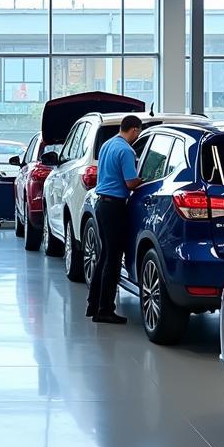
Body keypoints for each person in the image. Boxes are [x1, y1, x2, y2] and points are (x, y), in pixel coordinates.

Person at [85, 114, 144, 325]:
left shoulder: (108, 145)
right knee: (112, 259)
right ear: (135, 130)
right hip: (115, 207)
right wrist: (145, 180)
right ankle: (105, 310)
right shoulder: (126, 151)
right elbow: (130, 183)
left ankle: (93, 304)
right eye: (138, 132)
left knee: (104, 256)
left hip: (101, 205)